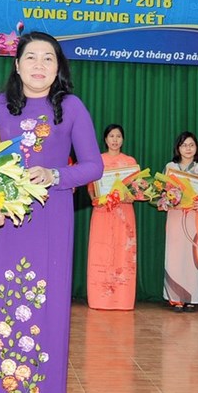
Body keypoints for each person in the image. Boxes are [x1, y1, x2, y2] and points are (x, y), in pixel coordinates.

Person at [0, 31, 102, 393]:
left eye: (48, 58)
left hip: (51, 222)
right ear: (16, 65)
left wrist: (55, 175)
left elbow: (93, 165)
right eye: (30, 57)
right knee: (1, 316)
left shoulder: (71, 107)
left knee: (45, 320)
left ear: (58, 67)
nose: (38, 65)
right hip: (3, 226)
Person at [86, 124, 139, 310]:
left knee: (124, 252)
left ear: (123, 139)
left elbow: (136, 190)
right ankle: (99, 298)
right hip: (102, 213)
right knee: (102, 253)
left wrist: (130, 195)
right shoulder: (98, 160)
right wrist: (96, 198)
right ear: (105, 139)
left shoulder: (130, 161)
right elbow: (91, 188)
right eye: (111, 136)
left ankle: (123, 299)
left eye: (118, 136)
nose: (115, 140)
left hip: (124, 214)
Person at [163, 131, 198, 312]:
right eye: (184, 145)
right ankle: (176, 298)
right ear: (178, 148)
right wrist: (168, 199)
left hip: (195, 217)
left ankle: (193, 298)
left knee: (194, 257)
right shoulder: (170, 167)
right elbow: (163, 192)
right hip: (176, 217)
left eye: (191, 145)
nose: (188, 149)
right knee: (175, 256)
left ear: (196, 147)